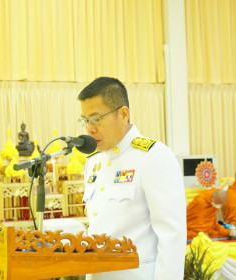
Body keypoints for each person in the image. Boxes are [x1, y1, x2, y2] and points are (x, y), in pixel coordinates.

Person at [78, 77, 187, 280]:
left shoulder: (153, 156)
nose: (89, 129)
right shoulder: (94, 161)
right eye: (85, 120)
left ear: (123, 114)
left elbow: (172, 235)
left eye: (96, 119)